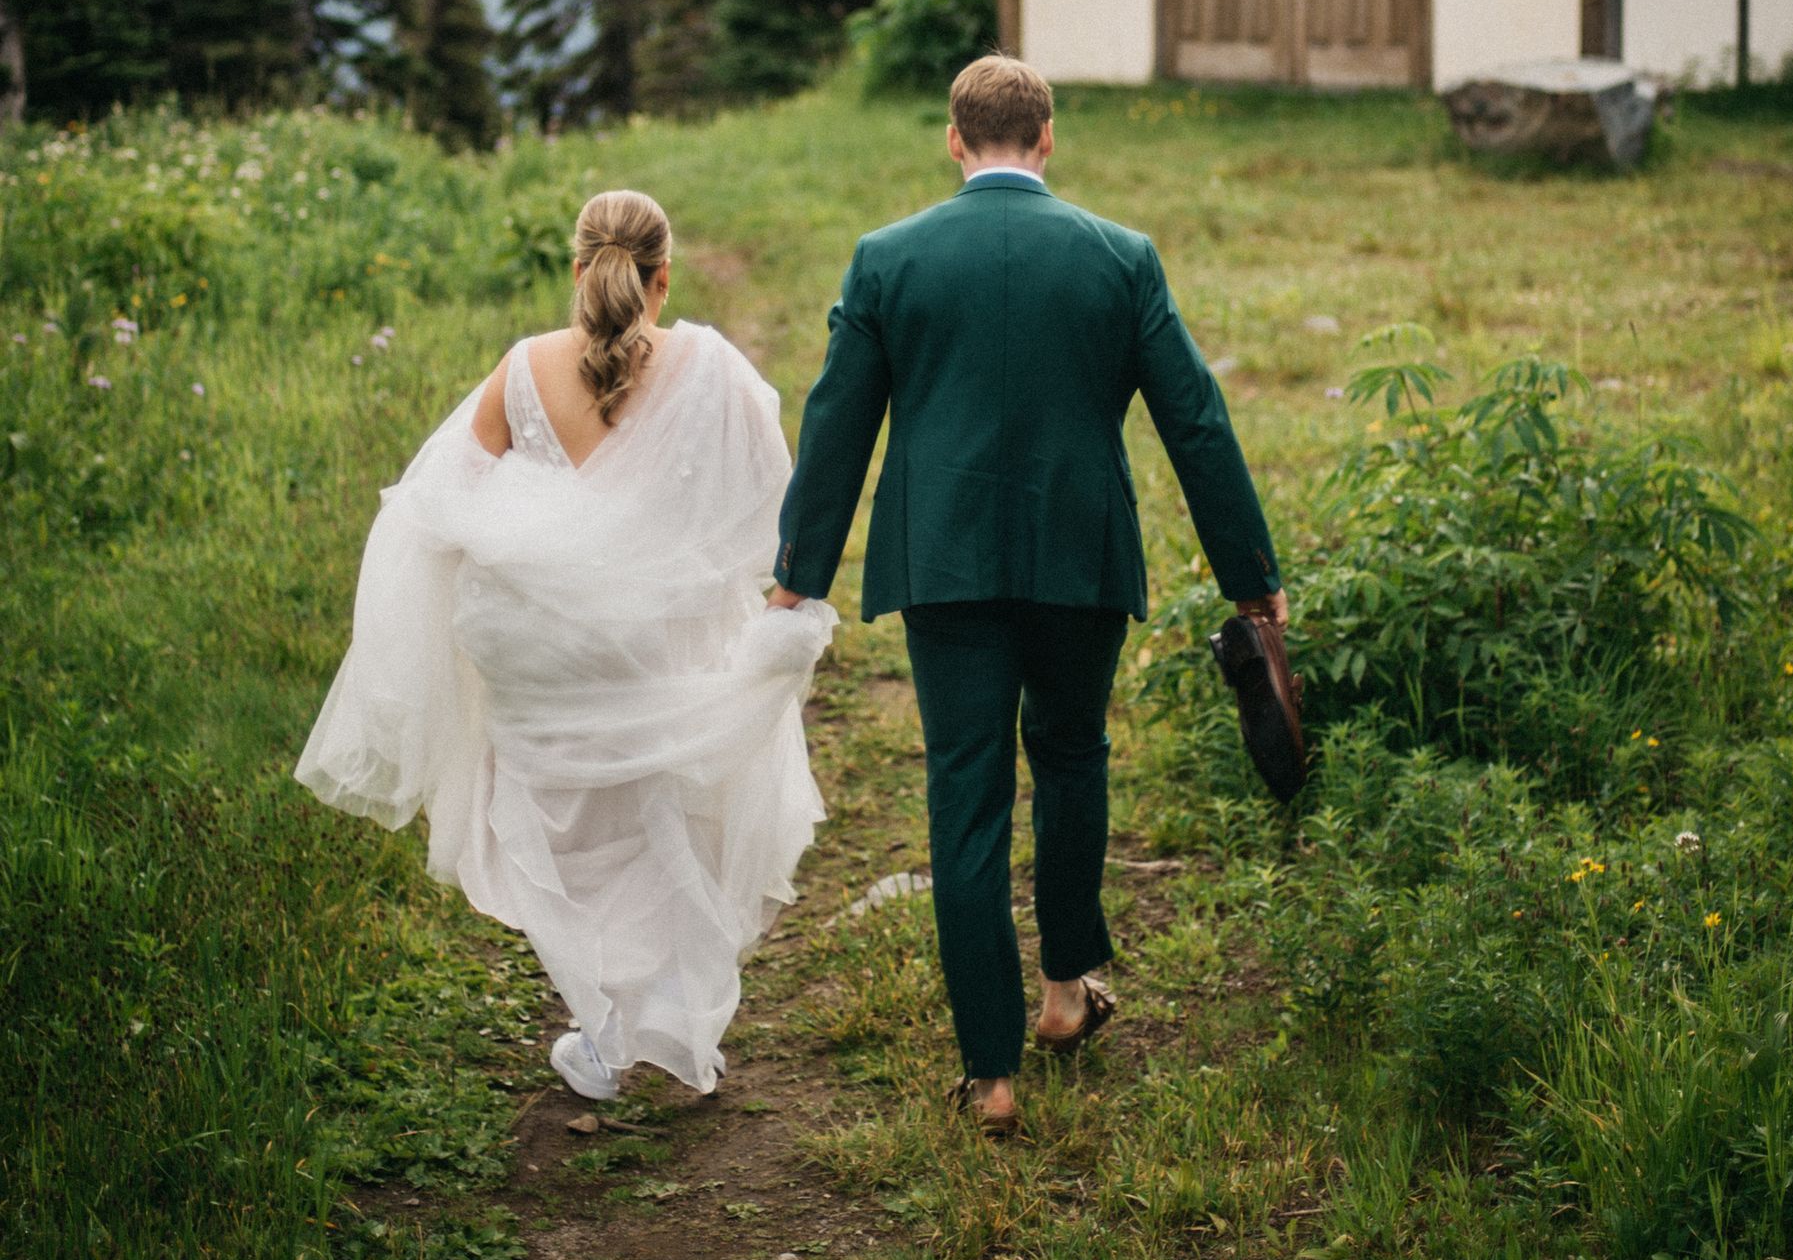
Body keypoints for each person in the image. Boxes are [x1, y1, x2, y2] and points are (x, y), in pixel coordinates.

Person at [770, 56, 1283, 1137]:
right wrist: (1252, 577)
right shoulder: (1120, 258)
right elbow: (1197, 422)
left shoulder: (887, 261)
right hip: (1078, 563)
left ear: (955, 143)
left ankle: (988, 1077)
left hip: (944, 568)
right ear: (1048, 138)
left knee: (966, 790)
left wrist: (798, 576)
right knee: (1070, 757)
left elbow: (838, 426)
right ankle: (1063, 996)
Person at [297, 189, 833, 1100]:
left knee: (565, 834)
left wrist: (543, 551)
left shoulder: (520, 369)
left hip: (546, 659)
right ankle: (673, 1016)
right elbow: (774, 505)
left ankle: (605, 1025)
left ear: (578, 271)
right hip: (661, 647)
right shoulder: (715, 367)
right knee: (664, 818)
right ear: (663, 277)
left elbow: (442, 502)